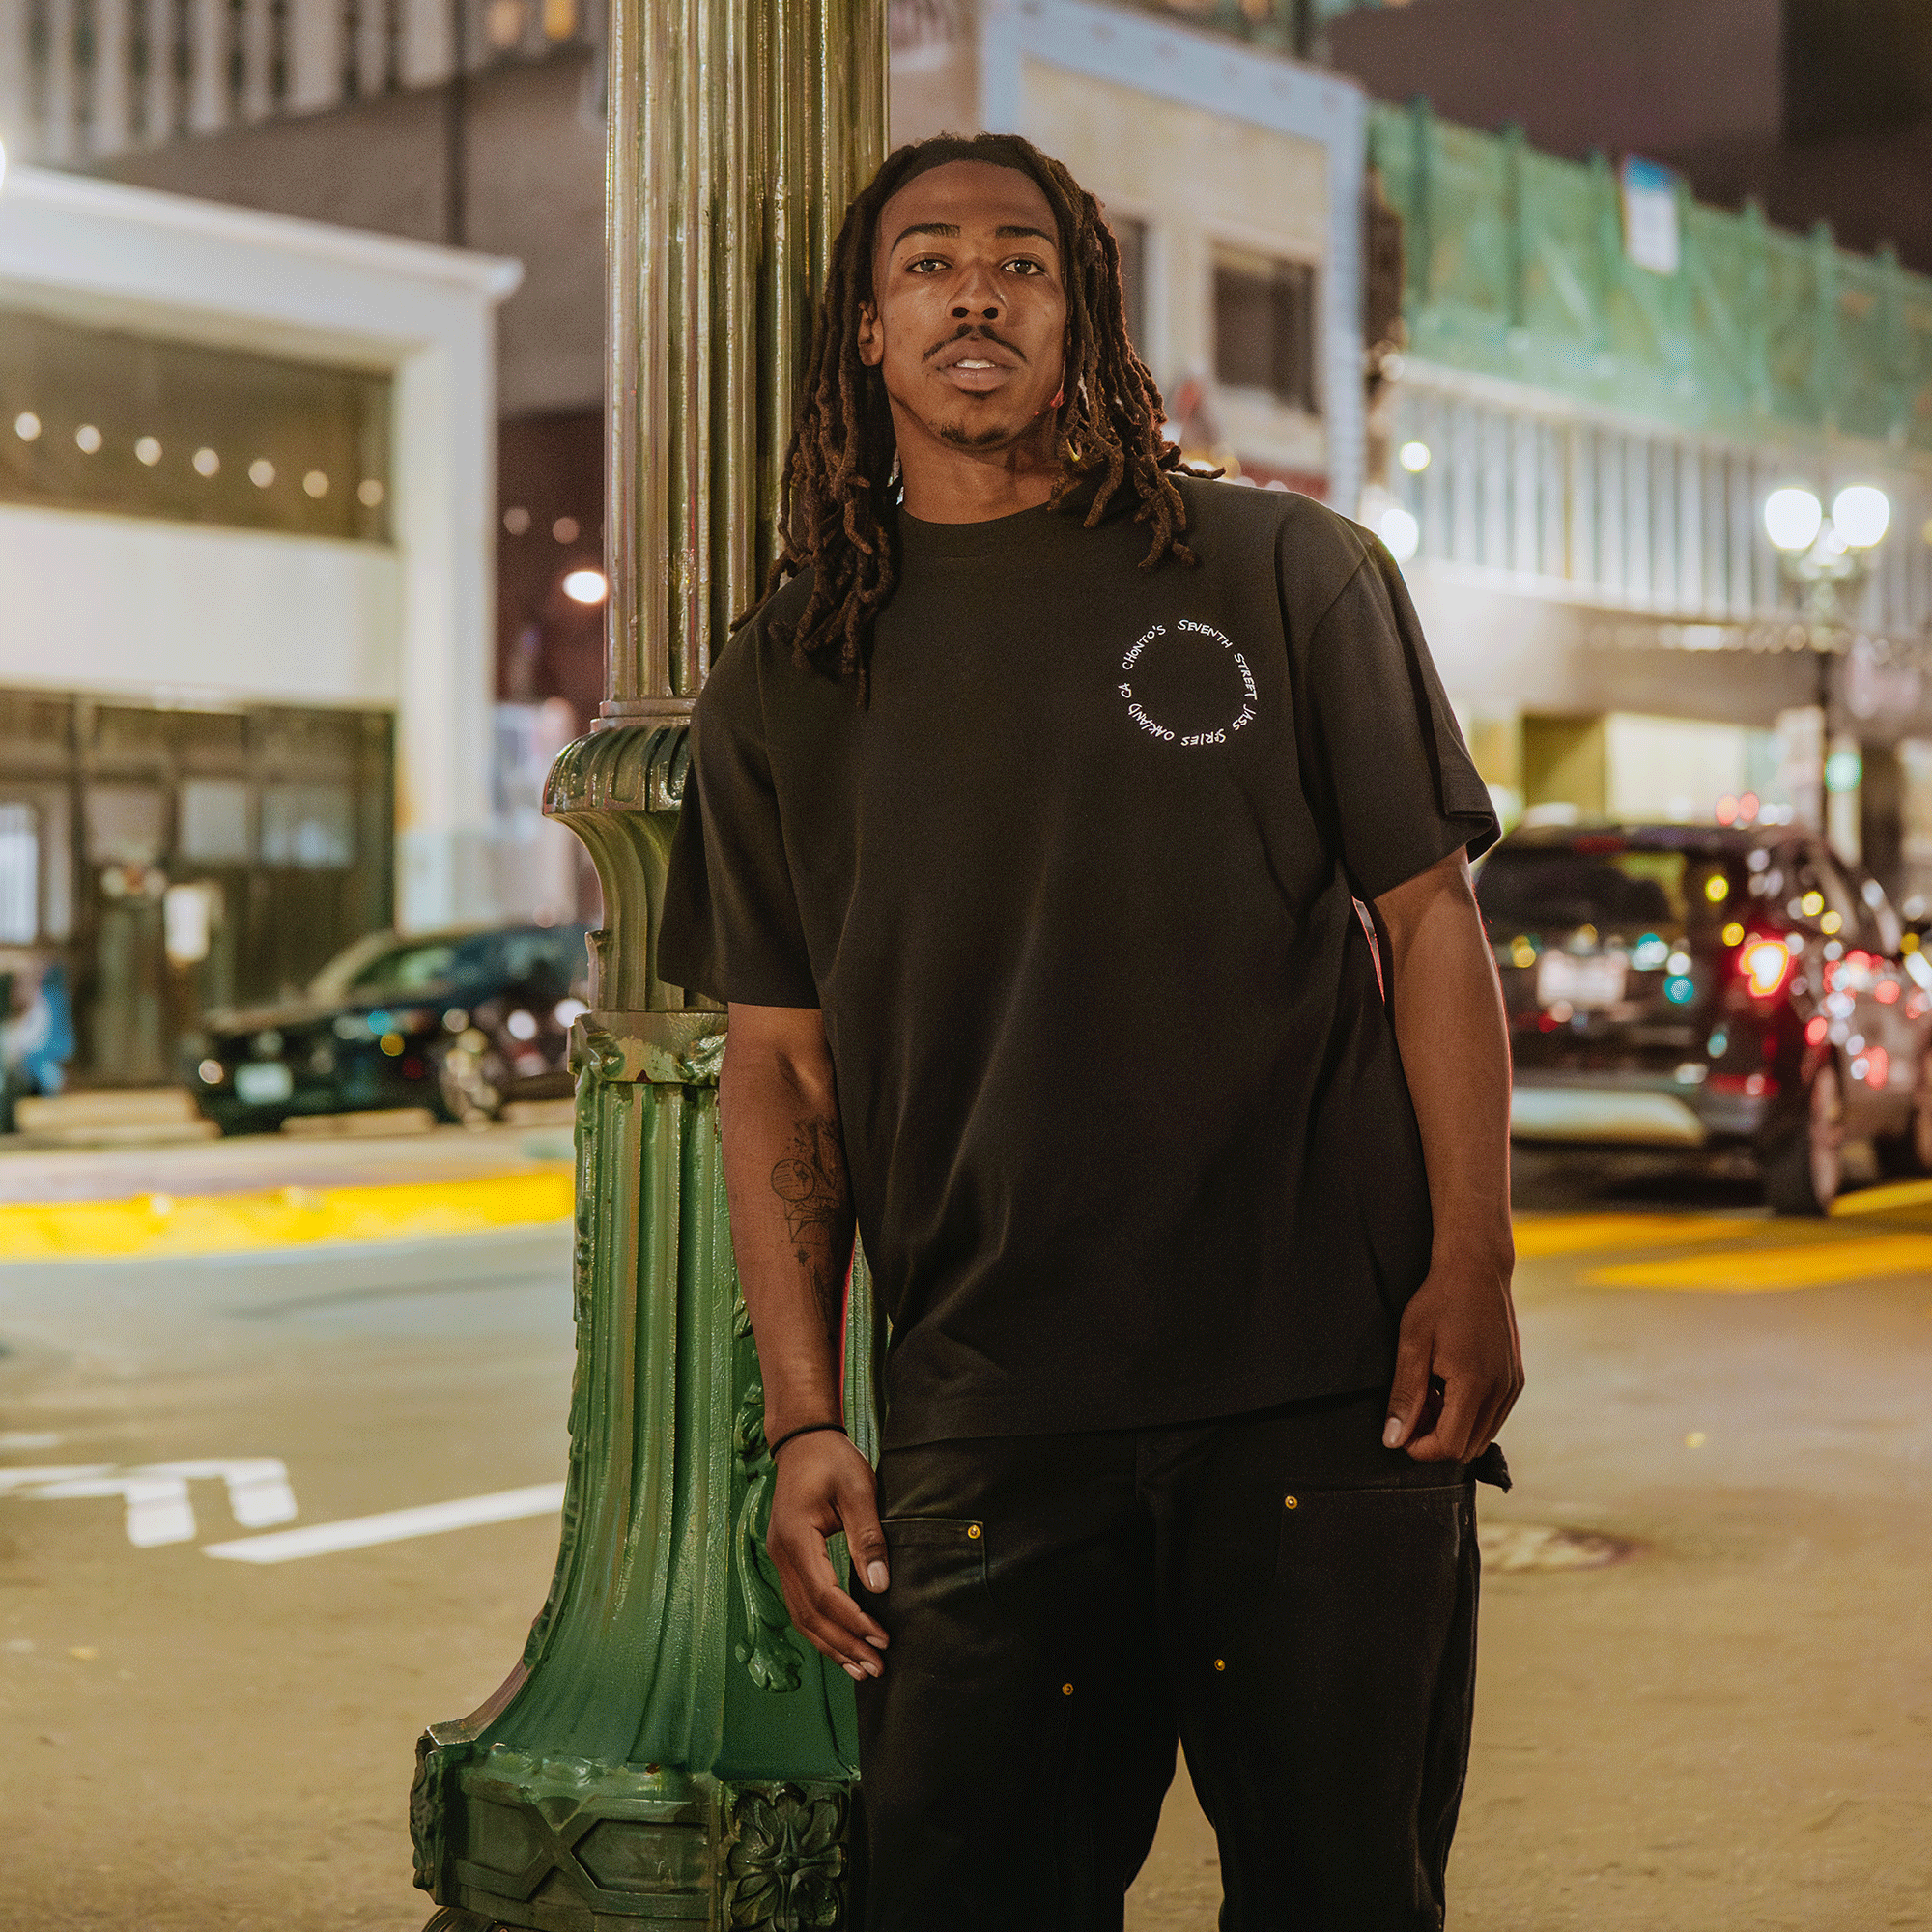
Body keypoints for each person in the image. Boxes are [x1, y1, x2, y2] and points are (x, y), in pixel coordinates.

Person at [659, 131, 1523, 1932]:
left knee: (1345, 1895)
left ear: (1086, 314)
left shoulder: (1287, 571)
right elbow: (779, 1066)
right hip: (990, 1418)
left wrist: (1472, 1260)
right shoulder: (790, 670)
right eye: (926, 262)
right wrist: (811, 1418)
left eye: (1022, 260)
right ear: (866, 335)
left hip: (1323, 1395)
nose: (976, 288)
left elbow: (1431, 921)